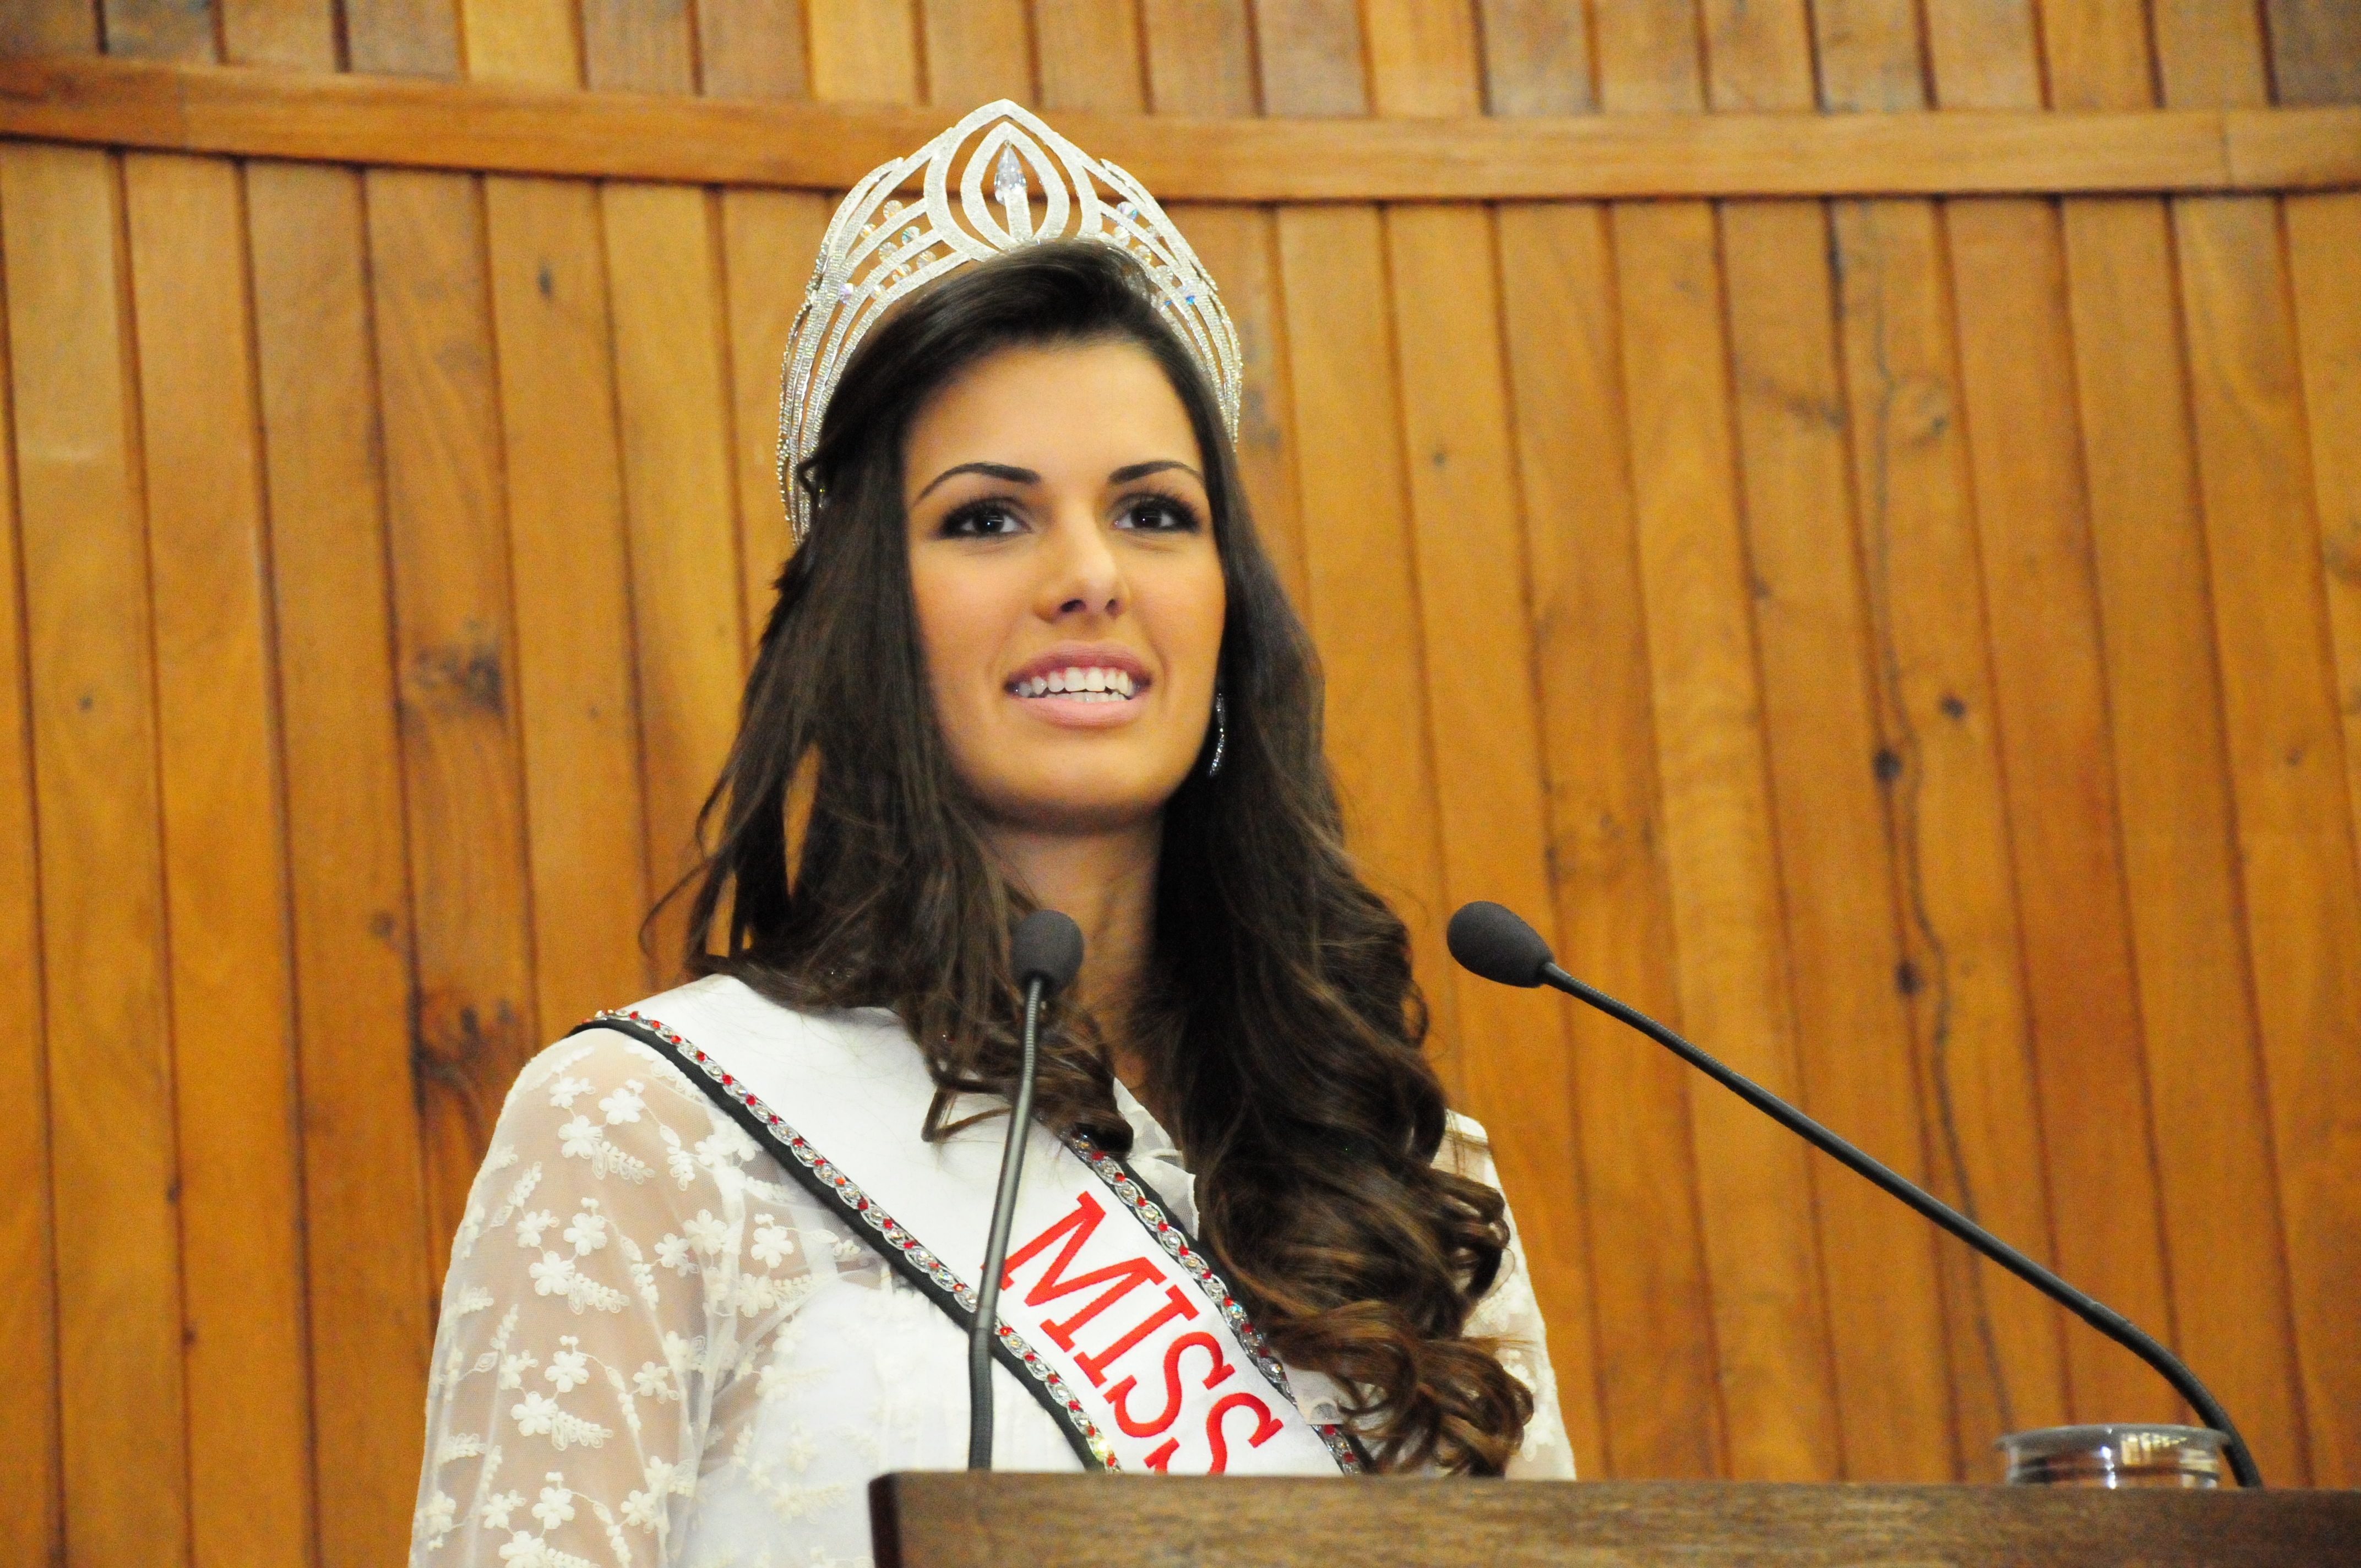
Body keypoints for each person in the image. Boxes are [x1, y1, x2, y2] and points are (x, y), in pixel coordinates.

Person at [411, 102, 1569, 1568]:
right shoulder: (651, 1130)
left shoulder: (1400, 1170)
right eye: (987, 520)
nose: (1090, 575)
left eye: (1154, 512)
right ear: (873, 619)